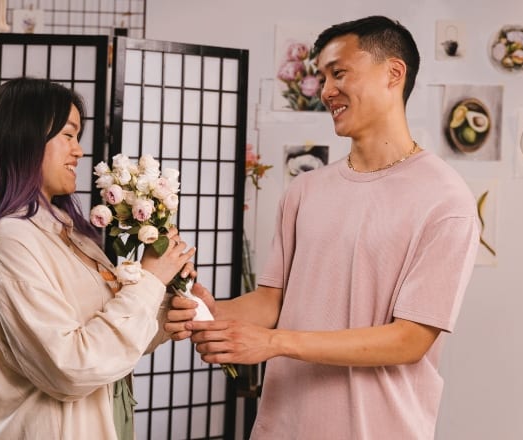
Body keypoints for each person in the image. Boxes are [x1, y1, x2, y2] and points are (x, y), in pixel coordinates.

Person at [167, 16, 479, 439]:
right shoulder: (306, 189)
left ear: (393, 73)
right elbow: (273, 302)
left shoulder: (446, 200)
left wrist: (274, 344)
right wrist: (214, 311)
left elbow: (409, 340)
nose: (326, 91)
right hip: (282, 426)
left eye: (339, 72)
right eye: (323, 76)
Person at [0, 77, 195, 439]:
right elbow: (69, 367)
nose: (79, 151)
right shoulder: (10, 240)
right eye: (68, 135)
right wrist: (149, 281)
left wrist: (165, 313)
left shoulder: (67, 229)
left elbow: (102, 339)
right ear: (26, 138)